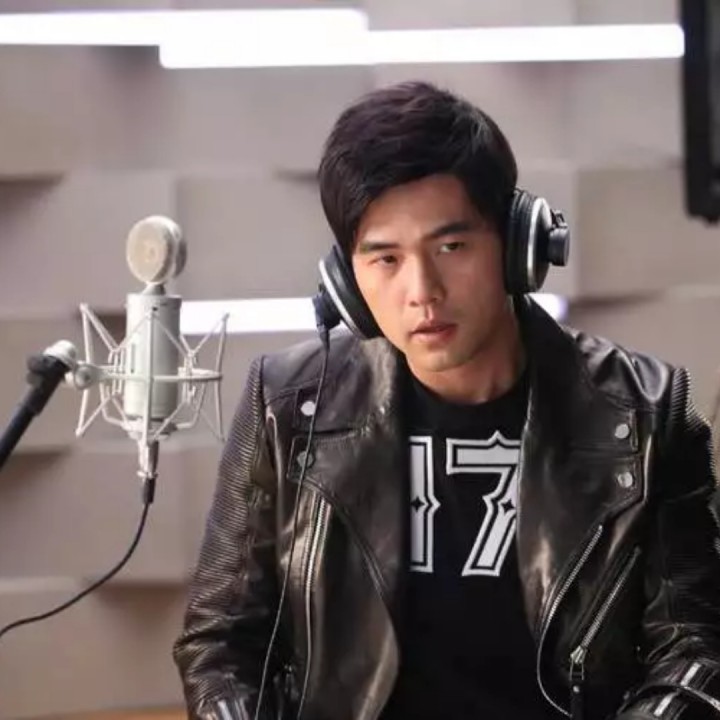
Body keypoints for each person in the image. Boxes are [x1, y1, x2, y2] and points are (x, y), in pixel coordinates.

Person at [173, 81, 720, 720]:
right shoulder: (289, 405)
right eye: (385, 259)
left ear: (518, 246)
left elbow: (695, 649)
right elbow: (220, 645)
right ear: (346, 281)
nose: (422, 290)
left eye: (451, 247)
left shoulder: (645, 414)